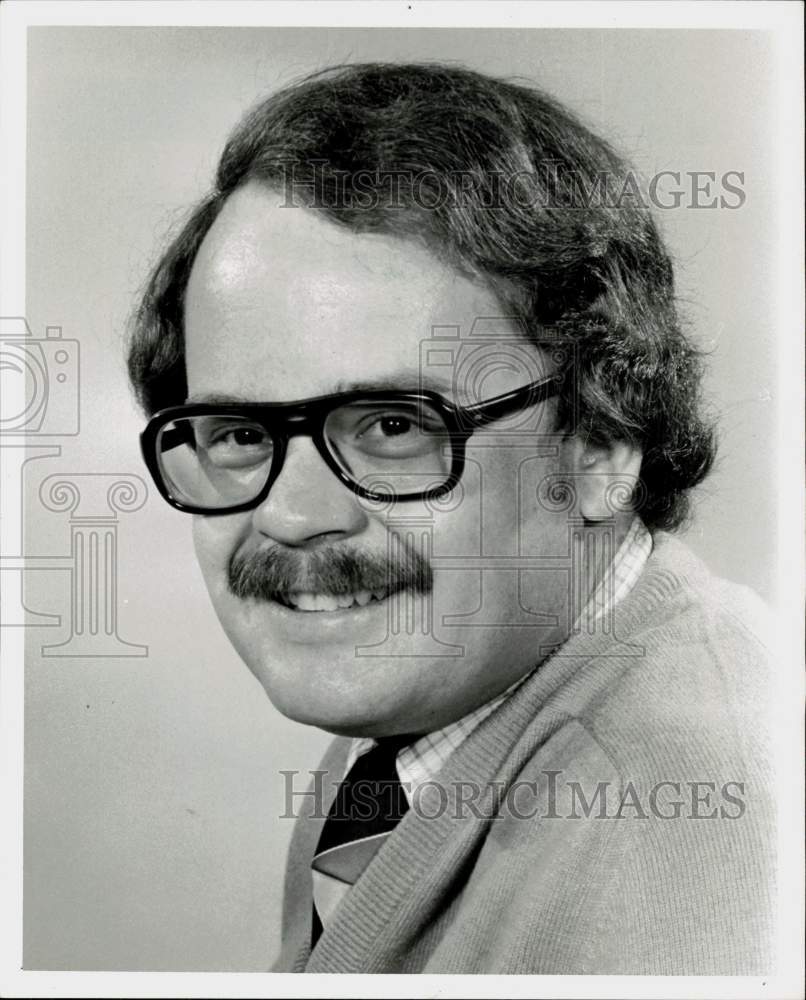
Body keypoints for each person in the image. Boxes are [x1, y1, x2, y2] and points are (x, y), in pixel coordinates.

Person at [127, 62, 774, 974]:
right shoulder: (432, 699)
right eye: (238, 432)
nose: (294, 514)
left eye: (395, 426)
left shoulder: (675, 823)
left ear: (602, 443)